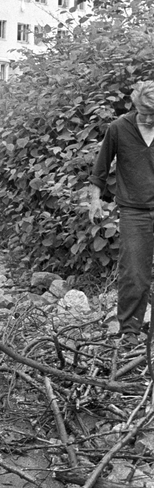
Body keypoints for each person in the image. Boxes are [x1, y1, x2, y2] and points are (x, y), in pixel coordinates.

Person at [89, 80, 154, 342]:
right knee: (134, 273)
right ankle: (129, 333)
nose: (149, 119)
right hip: (134, 212)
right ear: (135, 105)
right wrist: (95, 201)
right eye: (144, 113)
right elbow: (100, 170)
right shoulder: (119, 129)